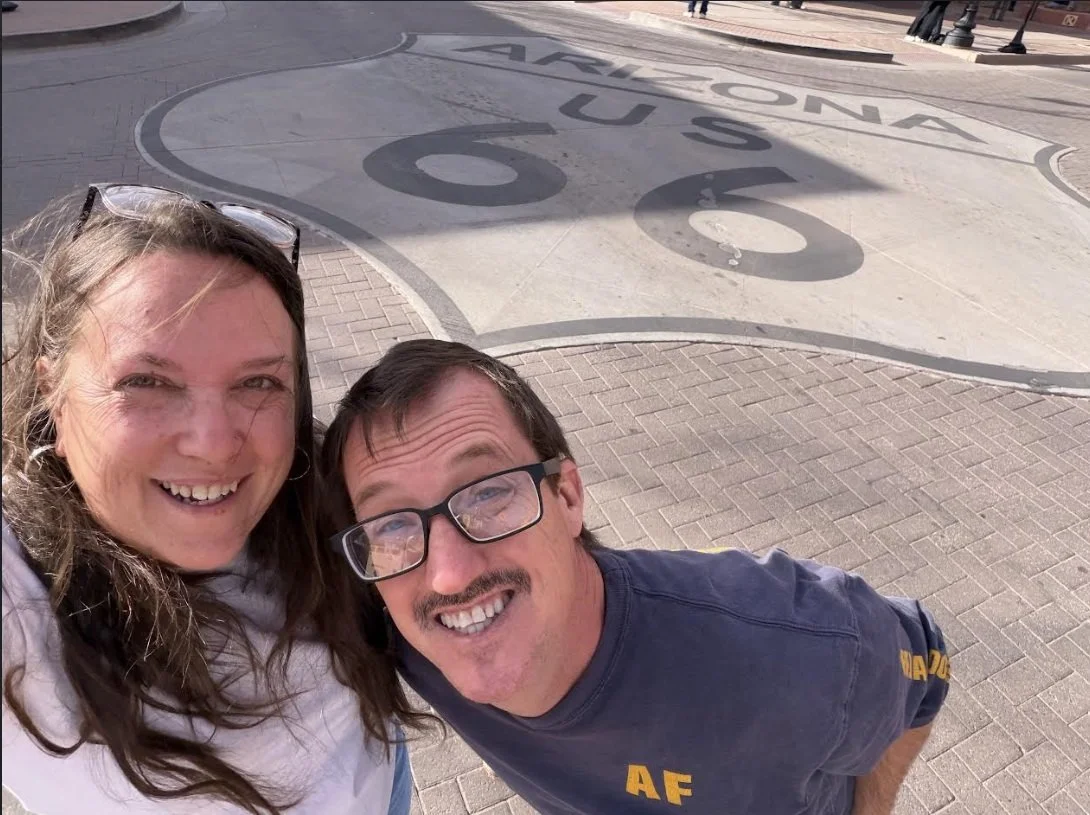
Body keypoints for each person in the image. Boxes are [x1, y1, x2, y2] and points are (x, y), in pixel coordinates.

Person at [319, 339, 951, 815]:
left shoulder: (794, 646)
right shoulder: (405, 627)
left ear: (567, 496)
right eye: (392, 523)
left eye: (488, 494)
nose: (449, 574)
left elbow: (926, 658)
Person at [1, 185, 426, 814]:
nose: (213, 443)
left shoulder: (327, 494)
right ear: (54, 396)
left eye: (258, 382)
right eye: (146, 382)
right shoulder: (21, 595)